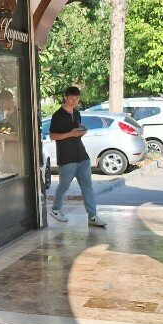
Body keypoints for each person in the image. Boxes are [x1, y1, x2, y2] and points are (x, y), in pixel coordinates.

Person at [48, 86, 106, 227]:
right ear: (65, 97)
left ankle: (92, 216)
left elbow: (75, 133)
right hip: (67, 157)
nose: (74, 100)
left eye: (77, 98)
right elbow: (52, 136)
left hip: (82, 156)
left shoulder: (77, 113)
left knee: (87, 187)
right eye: (71, 97)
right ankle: (55, 209)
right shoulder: (58, 115)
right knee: (64, 185)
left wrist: (81, 132)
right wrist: (71, 134)